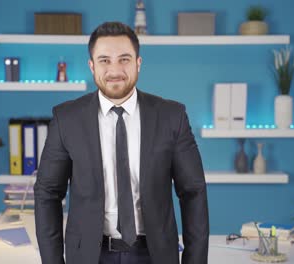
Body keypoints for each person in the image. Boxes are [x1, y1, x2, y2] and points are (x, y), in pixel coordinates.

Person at [34, 21, 209, 264]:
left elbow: (193, 192)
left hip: (155, 254)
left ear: (138, 63)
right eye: (105, 60)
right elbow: (47, 193)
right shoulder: (66, 119)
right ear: (92, 66)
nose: (114, 70)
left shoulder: (172, 116)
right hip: (88, 256)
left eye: (124, 59)